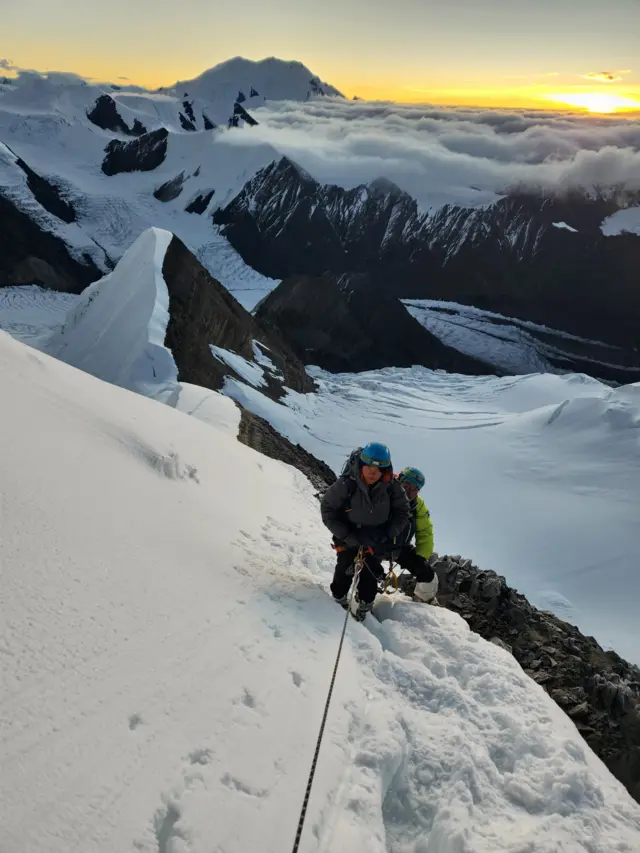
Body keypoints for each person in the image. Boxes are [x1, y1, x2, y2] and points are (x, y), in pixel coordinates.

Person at [320, 442, 410, 621]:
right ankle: (338, 598)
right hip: (349, 537)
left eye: (377, 470)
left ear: (384, 471)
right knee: (345, 567)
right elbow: (328, 509)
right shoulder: (347, 483)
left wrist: (385, 535)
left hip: (375, 539)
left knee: (370, 572)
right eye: (368, 467)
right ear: (361, 465)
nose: (372, 473)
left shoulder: (392, 487)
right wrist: (347, 535)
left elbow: (402, 512)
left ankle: (365, 604)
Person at [393, 466, 439, 603]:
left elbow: (425, 531)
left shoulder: (417, 505)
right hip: (376, 544)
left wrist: (421, 557)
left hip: (400, 547)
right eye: (406, 486)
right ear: (399, 481)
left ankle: (423, 603)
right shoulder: (385, 493)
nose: (409, 492)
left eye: (414, 489)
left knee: (427, 574)